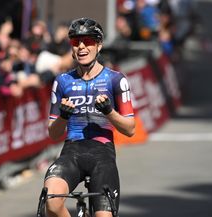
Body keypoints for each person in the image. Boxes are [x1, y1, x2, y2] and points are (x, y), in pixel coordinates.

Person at [43, 17, 135, 217]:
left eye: (88, 41)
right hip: (71, 152)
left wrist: (109, 111)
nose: (82, 47)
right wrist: (64, 117)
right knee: (50, 201)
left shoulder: (115, 80)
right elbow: (53, 133)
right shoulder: (62, 81)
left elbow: (130, 129)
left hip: (102, 154)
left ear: (99, 45)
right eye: (76, 42)